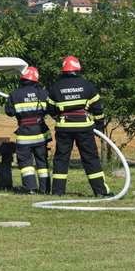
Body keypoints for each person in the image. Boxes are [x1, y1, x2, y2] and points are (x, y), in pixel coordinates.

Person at [47, 55, 110, 196]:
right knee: (90, 159)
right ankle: (100, 192)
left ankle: (57, 192)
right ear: (78, 69)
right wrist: (99, 127)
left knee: (61, 159)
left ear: (64, 70)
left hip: (64, 128)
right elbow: (98, 109)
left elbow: (50, 109)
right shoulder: (87, 85)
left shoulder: (56, 87)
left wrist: (60, 117)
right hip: (84, 127)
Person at [5, 66, 51, 194]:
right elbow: (50, 109)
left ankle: (30, 188)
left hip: (24, 135)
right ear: (36, 79)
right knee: (42, 162)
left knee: (26, 163)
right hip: (41, 134)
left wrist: (11, 101)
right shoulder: (43, 93)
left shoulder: (15, 94)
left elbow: (9, 112)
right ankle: (45, 189)